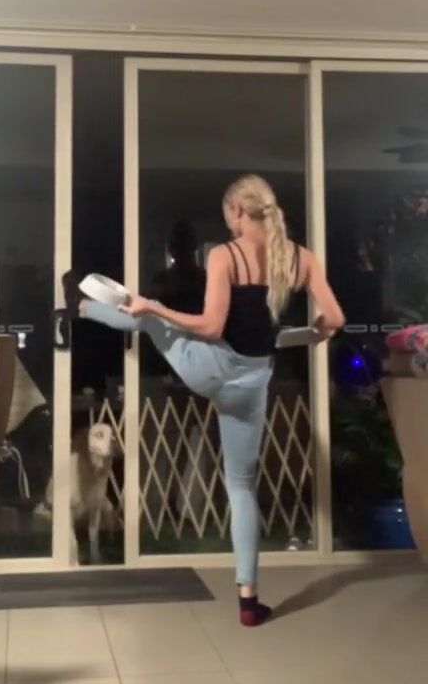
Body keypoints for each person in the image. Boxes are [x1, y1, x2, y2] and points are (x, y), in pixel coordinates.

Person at [69, 175, 345, 626]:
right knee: (242, 486)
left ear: (237, 211)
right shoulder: (301, 258)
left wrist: (152, 306)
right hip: (252, 384)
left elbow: (212, 327)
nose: (228, 224)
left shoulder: (225, 255)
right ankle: (249, 601)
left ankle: (79, 307)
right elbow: (334, 318)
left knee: (149, 319)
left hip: (211, 370)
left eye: (227, 215)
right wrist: (312, 334)